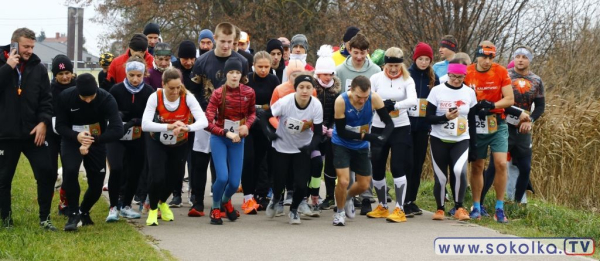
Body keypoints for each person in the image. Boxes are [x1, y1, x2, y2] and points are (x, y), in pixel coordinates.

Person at [0, 28, 55, 230]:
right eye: (25, 46)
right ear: (14, 44)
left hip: (33, 133)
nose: (29, 50)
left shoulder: (38, 68)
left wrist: (43, 122)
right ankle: (6, 221)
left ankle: (45, 219)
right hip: (5, 134)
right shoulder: (2, 62)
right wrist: (7, 68)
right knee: (3, 179)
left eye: (32, 46)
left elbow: (47, 100)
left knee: (47, 172)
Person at [55, 73, 124, 231]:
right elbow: (60, 126)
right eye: (83, 97)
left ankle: (83, 210)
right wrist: (76, 136)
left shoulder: (106, 99)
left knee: (97, 184)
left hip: (97, 139)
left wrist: (95, 140)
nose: (87, 100)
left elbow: (117, 129)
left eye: (91, 97)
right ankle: (73, 214)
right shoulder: (66, 97)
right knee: (70, 171)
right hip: (72, 139)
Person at [141, 67, 208, 226]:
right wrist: (168, 126)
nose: (175, 91)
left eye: (178, 87)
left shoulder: (187, 97)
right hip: (156, 141)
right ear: (163, 84)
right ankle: (153, 208)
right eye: (171, 88)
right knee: (157, 176)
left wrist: (187, 127)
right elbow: (145, 124)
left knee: (175, 177)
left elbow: (203, 121)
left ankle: (163, 202)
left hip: (179, 142)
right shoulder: (155, 97)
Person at [481, 45, 545, 205]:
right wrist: (518, 114)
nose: (521, 60)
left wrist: (530, 120)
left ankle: (517, 204)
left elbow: (540, 106)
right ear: (514, 59)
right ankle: (479, 203)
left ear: (529, 60)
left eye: (524, 57)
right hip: (504, 125)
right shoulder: (505, 75)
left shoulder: (536, 80)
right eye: (518, 56)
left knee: (525, 168)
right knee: (495, 166)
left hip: (523, 129)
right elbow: (498, 101)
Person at [331, 76, 394, 226]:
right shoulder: (341, 101)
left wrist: (382, 139)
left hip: (361, 146)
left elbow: (389, 123)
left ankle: (346, 198)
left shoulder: (374, 98)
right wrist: (369, 136)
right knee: (344, 180)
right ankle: (339, 213)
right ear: (351, 90)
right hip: (342, 143)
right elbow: (341, 131)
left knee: (364, 185)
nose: (362, 101)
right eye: (359, 97)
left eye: (365, 97)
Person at [262, 75, 323, 225]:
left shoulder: (316, 105)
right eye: (301, 87)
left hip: (302, 148)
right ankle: (276, 198)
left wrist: (311, 146)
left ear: (312, 89)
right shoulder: (285, 102)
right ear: (295, 88)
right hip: (282, 147)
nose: (304, 91)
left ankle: (294, 210)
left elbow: (319, 132)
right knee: (279, 181)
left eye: (308, 87)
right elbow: (264, 116)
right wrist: (270, 134)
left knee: (302, 184)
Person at [464, 41, 514, 223]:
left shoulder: (500, 71)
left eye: (490, 57)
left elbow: (509, 98)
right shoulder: (468, 72)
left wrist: (492, 105)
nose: (487, 61)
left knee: (501, 164)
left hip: (497, 122)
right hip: (476, 123)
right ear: (477, 56)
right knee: (477, 165)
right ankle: (476, 206)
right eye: (484, 57)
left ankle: (499, 208)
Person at [365, 47, 417, 222]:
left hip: (400, 127)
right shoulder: (376, 78)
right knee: (377, 167)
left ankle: (400, 209)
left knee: (397, 167)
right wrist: (380, 106)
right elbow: (368, 97)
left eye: (396, 65)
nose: (393, 69)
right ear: (384, 64)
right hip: (379, 127)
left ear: (401, 65)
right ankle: (382, 206)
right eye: (390, 65)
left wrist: (394, 105)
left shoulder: (407, 79)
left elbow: (412, 100)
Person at [204, 58, 256, 225]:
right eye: (231, 72)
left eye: (238, 73)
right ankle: (216, 207)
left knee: (234, 182)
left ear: (242, 74)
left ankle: (226, 201)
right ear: (226, 74)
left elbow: (253, 113)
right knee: (222, 178)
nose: (234, 76)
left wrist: (247, 126)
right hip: (220, 138)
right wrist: (225, 133)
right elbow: (207, 122)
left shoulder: (249, 92)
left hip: (237, 140)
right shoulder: (218, 93)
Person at [427, 59, 477, 221]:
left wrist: (474, 145)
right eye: (453, 76)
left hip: (461, 139)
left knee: (458, 171)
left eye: (460, 77)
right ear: (448, 74)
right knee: (441, 177)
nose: (456, 80)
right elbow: (428, 118)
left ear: (464, 76)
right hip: (439, 138)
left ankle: (459, 207)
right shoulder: (437, 91)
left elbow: (473, 120)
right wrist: (445, 117)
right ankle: (440, 208)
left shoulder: (469, 92)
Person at [105, 56, 155, 222]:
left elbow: (151, 117)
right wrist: (120, 118)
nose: (135, 79)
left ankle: (126, 205)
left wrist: (135, 121)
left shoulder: (149, 92)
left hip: (138, 136)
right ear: (126, 73)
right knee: (117, 167)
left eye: (138, 76)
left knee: (135, 170)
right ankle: (113, 207)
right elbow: (110, 113)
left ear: (144, 74)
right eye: (131, 75)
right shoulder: (116, 90)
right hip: (117, 136)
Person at [335, 33, 381, 210]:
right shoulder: (340, 70)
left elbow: (377, 97)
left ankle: (366, 197)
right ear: (349, 50)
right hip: (345, 119)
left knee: (364, 158)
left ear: (368, 52)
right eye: (355, 53)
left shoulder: (375, 70)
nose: (359, 57)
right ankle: (347, 199)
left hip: (366, 121)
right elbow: (336, 95)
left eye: (363, 53)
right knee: (347, 162)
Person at [241, 51, 280, 214]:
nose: (263, 70)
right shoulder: (248, 79)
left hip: (266, 121)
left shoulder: (274, 80)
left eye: (266, 67)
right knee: (249, 159)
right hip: (249, 122)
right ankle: (248, 195)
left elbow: (276, 102)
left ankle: (261, 194)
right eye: (260, 67)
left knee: (263, 160)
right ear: (253, 66)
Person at [405, 42, 439, 216]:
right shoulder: (407, 75)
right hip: (407, 125)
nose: (424, 62)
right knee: (407, 162)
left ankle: (412, 199)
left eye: (427, 59)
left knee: (418, 163)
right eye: (421, 59)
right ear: (415, 58)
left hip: (423, 126)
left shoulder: (433, 78)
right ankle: (403, 199)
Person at [190, 22, 250, 110]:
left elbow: (246, 92)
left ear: (234, 40)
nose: (226, 46)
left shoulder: (243, 62)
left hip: (234, 114)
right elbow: (194, 92)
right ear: (215, 38)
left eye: (229, 42)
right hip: (206, 114)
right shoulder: (201, 61)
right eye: (222, 41)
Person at [312, 45, 342, 211]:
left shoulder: (336, 91)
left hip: (330, 133)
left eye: (330, 74)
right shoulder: (311, 88)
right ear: (317, 73)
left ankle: (330, 196)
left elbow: (338, 113)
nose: (327, 77)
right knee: (315, 164)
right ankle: (313, 196)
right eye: (324, 74)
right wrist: (317, 127)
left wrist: (332, 128)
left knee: (330, 165)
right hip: (314, 132)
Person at [48, 54, 76, 217]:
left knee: (69, 171)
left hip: (71, 135)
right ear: (55, 75)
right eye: (60, 74)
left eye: (67, 73)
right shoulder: (49, 90)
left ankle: (65, 203)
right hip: (52, 136)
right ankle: (45, 205)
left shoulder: (80, 87)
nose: (65, 77)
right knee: (50, 171)